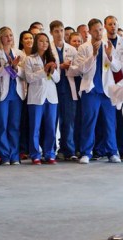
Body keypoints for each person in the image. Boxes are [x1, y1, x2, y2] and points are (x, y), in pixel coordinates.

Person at [75, 18, 121, 164]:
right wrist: (93, 54)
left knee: (109, 123)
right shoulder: (84, 48)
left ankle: (112, 152)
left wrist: (110, 56)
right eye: (95, 30)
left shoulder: (109, 45)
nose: (99, 32)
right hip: (91, 91)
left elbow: (117, 68)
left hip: (107, 91)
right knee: (88, 122)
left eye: (100, 29)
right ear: (89, 32)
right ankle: (86, 153)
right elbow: (81, 69)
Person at [0, 27, 26, 165]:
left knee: (14, 126)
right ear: (0, 38)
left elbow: (24, 73)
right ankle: (5, 156)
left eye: (11, 35)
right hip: (1, 94)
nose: (9, 38)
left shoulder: (19, 53)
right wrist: (6, 67)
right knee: (2, 125)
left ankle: (15, 156)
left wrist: (16, 68)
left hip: (16, 94)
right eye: (5, 36)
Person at [24, 33, 59, 165]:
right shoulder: (29, 59)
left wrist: (53, 70)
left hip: (51, 97)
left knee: (51, 127)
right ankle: (35, 154)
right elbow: (29, 78)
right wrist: (44, 71)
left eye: (46, 41)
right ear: (36, 43)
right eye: (41, 41)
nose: (44, 43)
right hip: (36, 97)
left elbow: (58, 79)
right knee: (35, 127)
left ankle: (49, 153)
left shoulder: (53, 58)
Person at [49, 20, 78, 161]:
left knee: (68, 121)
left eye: (61, 30)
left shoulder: (72, 49)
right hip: (52, 88)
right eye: (56, 31)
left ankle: (69, 150)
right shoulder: (48, 49)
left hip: (68, 88)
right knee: (51, 121)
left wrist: (69, 67)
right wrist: (60, 66)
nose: (59, 34)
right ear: (51, 33)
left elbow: (78, 69)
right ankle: (50, 150)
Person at [104, 15, 123, 161]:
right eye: (109, 24)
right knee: (109, 119)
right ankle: (109, 149)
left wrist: (116, 63)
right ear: (105, 26)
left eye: (115, 24)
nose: (112, 26)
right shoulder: (102, 43)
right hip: (108, 84)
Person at [18, 30, 34, 160]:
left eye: (31, 38)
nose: (29, 40)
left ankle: (33, 148)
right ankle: (22, 149)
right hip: (22, 92)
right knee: (22, 122)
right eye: (26, 38)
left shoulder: (37, 55)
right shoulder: (18, 55)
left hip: (35, 93)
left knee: (33, 122)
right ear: (22, 41)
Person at [68, 32, 83, 157]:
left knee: (82, 121)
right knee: (71, 121)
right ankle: (71, 148)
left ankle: (80, 147)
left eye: (79, 41)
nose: (77, 43)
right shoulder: (69, 55)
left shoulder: (85, 54)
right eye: (74, 41)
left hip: (84, 91)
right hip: (70, 91)